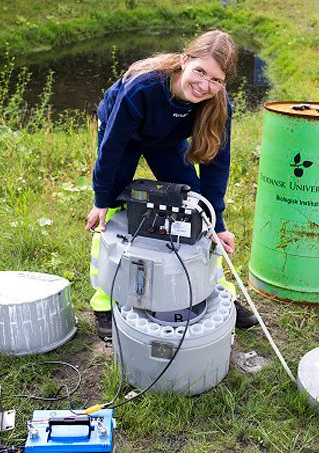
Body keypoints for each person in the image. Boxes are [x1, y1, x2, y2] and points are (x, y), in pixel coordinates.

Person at [86, 29, 258, 340]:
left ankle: (217, 292)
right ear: (184, 61)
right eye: (200, 71)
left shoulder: (218, 106)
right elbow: (111, 148)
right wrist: (100, 200)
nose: (205, 85)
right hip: (123, 134)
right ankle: (104, 302)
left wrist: (217, 224)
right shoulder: (143, 87)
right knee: (112, 204)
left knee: (197, 206)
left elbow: (217, 166)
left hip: (165, 141)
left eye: (216, 80)